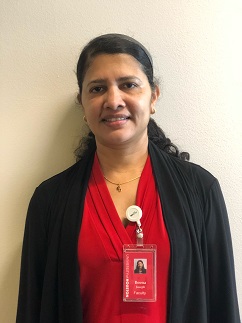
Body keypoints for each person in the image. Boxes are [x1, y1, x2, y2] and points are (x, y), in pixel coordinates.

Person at [16, 33, 241, 323]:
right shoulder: (49, 200)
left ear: (153, 96)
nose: (113, 100)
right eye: (97, 89)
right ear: (82, 104)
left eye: (128, 85)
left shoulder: (200, 190)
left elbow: (222, 303)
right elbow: (32, 309)